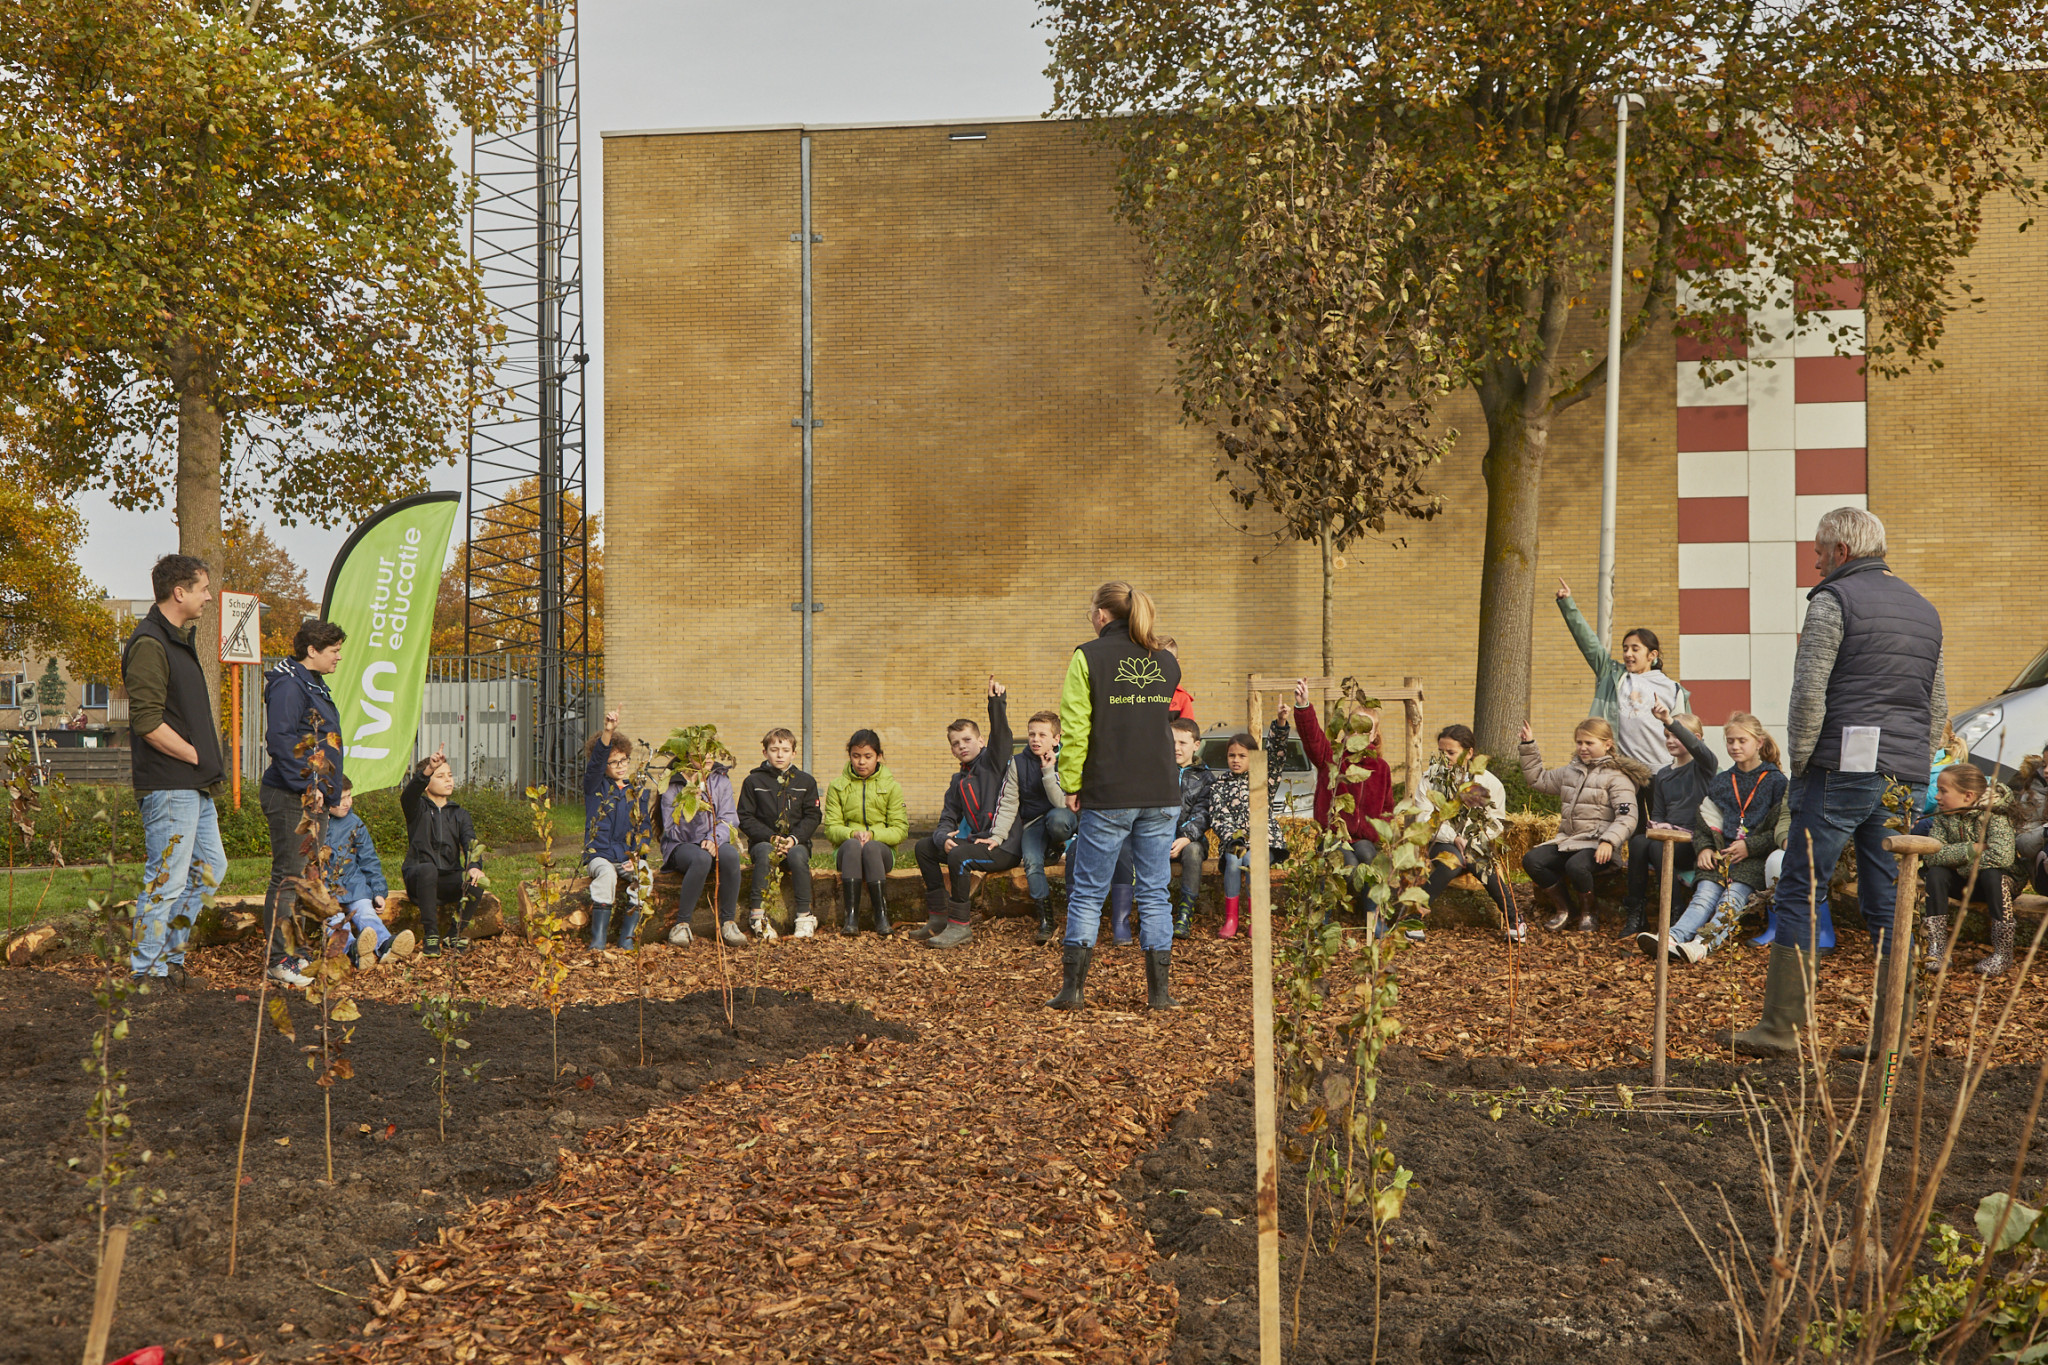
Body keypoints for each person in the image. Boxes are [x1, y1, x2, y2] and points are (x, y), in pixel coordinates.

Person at [1726, 507, 1945, 1061]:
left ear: (1842, 552)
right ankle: (1893, 1036)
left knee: (1801, 887)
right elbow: (1936, 703)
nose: (1814, 558)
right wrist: (1918, 766)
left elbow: (1808, 695)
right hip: (1905, 775)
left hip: (1838, 772)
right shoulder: (1925, 610)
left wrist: (1802, 765)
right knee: (1888, 899)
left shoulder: (1832, 601)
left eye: (1820, 549)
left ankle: (1781, 1028)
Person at [1048, 582, 1183, 1011]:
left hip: (1109, 792)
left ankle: (1073, 991)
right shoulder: (1166, 661)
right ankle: (1159, 995)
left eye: (1092, 611)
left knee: (1088, 891)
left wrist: (1071, 783)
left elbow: (1076, 727)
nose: (1091, 617)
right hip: (1162, 790)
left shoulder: (1087, 656)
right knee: (1156, 892)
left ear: (1103, 614)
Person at [122, 554, 229, 989]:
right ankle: (146, 974)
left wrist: (200, 766)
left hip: (193, 784)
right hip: (171, 784)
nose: (209, 597)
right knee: (165, 881)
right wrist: (194, 756)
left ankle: (169, 959)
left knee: (211, 869)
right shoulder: (150, 643)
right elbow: (147, 722)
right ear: (179, 592)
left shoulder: (178, 639)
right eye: (203, 589)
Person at [1655, 712, 1789, 964]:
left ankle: (1701, 945)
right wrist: (1704, 848)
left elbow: (1779, 829)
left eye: (1742, 741)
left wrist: (1750, 846)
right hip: (1719, 856)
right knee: (1703, 896)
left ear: (1759, 742)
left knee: (1730, 901)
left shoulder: (1776, 781)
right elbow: (1705, 820)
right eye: (1730, 741)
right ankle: (1672, 938)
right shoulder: (1721, 781)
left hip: (1752, 861)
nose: (1735, 747)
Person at [257, 618, 347, 987]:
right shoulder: (290, 686)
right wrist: (310, 784)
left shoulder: (311, 683)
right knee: (289, 876)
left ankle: (298, 952)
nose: (339, 657)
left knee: (307, 878)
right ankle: (280, 959)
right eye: (334, 651)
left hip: (313, 795)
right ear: (312, 651)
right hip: (293, 795)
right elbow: (280, 741)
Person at [911, 680, 1023, 949]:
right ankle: (938, 918)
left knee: (960, 856)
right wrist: (942, 838)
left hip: (1004, 846)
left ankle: (960, 926)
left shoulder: (994, 762)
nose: (961, 746)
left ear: (981, 741)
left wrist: (996, 703)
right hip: (978, 843)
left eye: (967, 740)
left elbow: (1003, 737)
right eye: (955, 743)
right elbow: (947, 819)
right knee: (924, 847)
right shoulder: (957, 780)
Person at [1517, 718, 1647, 932]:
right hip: (1568, 842)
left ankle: (1589, 913)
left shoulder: (1617, 778)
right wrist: (1528, 746)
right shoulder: (1570, 772)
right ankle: (1565, 909)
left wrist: (1609, 841)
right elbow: (1538, 780)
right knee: (1532, 860)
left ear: (1607, 744)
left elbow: (1627, 817)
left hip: (1597, 846)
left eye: (1589, 743)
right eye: (1579, 742)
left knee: (1576, 866)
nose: (1583, 748)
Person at [1553, 578, 1691, 773]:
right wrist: (1568, 604)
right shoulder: (1613, 675)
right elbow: (1589, 643)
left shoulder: (1673, 689)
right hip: (1623, 772)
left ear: (1652, 655)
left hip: (1663, 772)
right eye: (1625, 649)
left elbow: (1689, 735)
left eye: (1635, 649)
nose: (1628, 654)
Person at [1293, 678, 1393, 917]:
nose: (1357, 734)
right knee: (1348, 864)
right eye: (1352, 728)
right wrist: (1304, 706)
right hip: (1334, 836)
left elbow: (1387, 808)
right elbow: (1312, 738)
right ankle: (1321, 918)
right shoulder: (1332, 758)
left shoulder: (1381, 768)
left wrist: (1382, 835)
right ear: (1345, 732)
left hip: (1364, 839)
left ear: (1374, 735)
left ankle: (1374, 917)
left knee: (1371, 859)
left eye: (1364, 730)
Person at [1623, 704, 1718, 938]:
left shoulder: (1704, 767)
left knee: (1658, 845)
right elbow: (1658, 815)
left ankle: (1675, 915)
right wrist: (1658, 828)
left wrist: (1669, 720)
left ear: (1695, 737)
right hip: (1669, 839)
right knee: (1638, 843)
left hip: (1695, 842)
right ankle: (1636, 914)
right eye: (1667, 736)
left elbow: (1698, 749)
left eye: (1676, 735)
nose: (1670, 740)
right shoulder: (1663, 775)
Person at [1921, 764, 2020, 978]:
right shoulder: (1943, 814)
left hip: (1997, 887)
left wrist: (1957, 862)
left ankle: (2003, 953)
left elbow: (2002, 856)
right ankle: (1937, 949)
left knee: (1993, 875)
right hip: (1963, 884)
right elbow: (1932, 854)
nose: (1937, 797)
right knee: (1936, 873)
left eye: (1943, 791)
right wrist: (1971, 848)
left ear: (1968, 796)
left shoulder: (1995, 813)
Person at [1419, 725, 1516, 942]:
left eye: (1451, 753)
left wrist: (1472, 839)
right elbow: (1424, 816)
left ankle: (1515, 920)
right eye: (1441, 752)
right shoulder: (1430, 779)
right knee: (1452, 859)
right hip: (1441, 839)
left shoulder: (1489, 783)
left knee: (1481, 861)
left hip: (1477, 841)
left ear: (1469, 753)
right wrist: (1453, 837)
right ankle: (1415, 918)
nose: (1445, 758)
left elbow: (1496, 822)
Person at [400, 743, 485, 957]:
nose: (448, 780)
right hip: (419, 878)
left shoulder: (459, 814)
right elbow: (408, 795)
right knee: (428, 869)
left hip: (447, 877)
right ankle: (431, 935)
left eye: (450, 775)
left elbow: (471, 844)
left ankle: (453, 934)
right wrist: (428, 769)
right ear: (427, 784)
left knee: (476, 881)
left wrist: (474, 867)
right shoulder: (417, 808)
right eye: (440, 776)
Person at [736, 727, 821, 940]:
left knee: (799, 856)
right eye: (774, 749)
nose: (780, 754)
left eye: (785, 749)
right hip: (764, 842)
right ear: (765, 752)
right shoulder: (753, 782)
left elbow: (813, 815)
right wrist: (771, 837)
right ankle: (758, 916)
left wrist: (793, 839)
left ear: (794, 753)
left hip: (796, 843)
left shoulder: (805, 782)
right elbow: (745, 817)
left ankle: (804, 916)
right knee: (765, 853)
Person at [320, 777, 415, 966]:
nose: (348, 802)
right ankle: (353, 949)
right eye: (342, 798)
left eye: (350, 796)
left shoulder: (355, 823)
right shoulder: (312, 824)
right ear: (324, 800)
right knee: (336, 920)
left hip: (353, 884)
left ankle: (386, 944)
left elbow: (369, 860)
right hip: (323, 890)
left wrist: (379, 892)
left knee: (366, 912)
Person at [823, 728, 909, 937]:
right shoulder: (837, 786)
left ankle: (881, 915)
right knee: (853, 845)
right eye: (856, 756)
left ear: (879, 757)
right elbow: (831, 827)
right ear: (850, 756)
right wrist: (852, 834)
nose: (861, 762)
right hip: (848, 852)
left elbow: (900, 829)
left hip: (880, 852)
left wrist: (874, 836)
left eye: (868, 756)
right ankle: (850, 917)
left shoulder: (891, 787)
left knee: (870, 848)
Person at [658, 754, 741, 947]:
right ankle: (682, 925)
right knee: (701, 859)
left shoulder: (721, 779)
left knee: (730, 855)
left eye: (711, 753)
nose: (708, 758)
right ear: (687, 757)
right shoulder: (672, 784)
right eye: (701, 754)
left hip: (714, 840)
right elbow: (672, 831)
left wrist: (714, 838)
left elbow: (729, 818)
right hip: (681, 845)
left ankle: (728, 923)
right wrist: (691, 806)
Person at [583, 710, 649, 952]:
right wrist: (608, 731)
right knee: (607, 876)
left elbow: (644, 828)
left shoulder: (636, 791)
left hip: (625, 856)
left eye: (624, 760)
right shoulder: (594, 786)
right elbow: (596, 763)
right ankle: (598, 939)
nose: (621, 766)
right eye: (614, 762)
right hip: (598, 854)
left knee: (645, 877)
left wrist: (637, 856)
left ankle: (627, 938)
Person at [1016, 710, 1074, 944]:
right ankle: (1046, 919)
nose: (1035, 739)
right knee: (1031, 861)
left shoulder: (1069, 760)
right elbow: (1009, 802)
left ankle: (1058, 844)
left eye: (1042, 734)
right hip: (1034, 823)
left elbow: (1061, 803)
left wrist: (1049, 771)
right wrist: (998, 836)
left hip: (1064, 818)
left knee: (1057, 820)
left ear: (1056, 739)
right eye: (1031, 734)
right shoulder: (1018, 762)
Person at [1207, 733, 1260, 940]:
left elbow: (1277, 753)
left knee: (1252, 860)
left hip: (1258, 843)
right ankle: (1232, 919)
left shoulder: (1261, 781)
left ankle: (1255, 919)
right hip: (1232, 842)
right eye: (1231, 755)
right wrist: (1234, 839)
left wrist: (1281, 724)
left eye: (1242, 756)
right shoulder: (1220, 784)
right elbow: (1218, 816)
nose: (1236, 760)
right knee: (1233, 859)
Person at [1167, 717, 1213, 939]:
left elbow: (1204, 813)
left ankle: (1185, 912)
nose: (1176, 748)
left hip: (1190, 841)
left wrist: (1185, 837)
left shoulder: (1205, 777)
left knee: (1193, 851)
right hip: (1160, 837)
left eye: (1182, 743)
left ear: (1196, 745)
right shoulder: (1159, 771)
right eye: (1172, 742)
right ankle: (1156, 912)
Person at [1160, 638, 1195, 723]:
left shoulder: (1182, 698)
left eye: (1166, 661)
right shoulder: (1142, 694)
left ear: (1177, 663)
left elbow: (1187, 731)